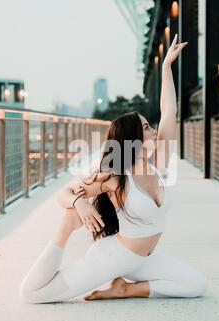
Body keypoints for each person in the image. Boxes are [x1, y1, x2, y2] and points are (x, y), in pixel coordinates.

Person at [19, 34, 208, 304]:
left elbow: (169, 111)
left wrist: (166, 67)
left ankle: (125, 289)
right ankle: (65, 229)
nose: (153, 130)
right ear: (133, 138)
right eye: (145, 127)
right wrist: (79, 205)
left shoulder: (158, 163)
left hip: (142, 261)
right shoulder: (116, 176)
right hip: (112, 258)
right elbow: (64, 193)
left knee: (195, 284)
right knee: (32, 294)